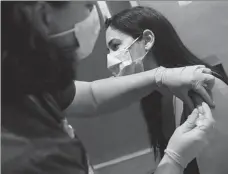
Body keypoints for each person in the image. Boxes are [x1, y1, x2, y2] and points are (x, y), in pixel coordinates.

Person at [1, 2, 216, 174]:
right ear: (44, 15)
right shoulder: (32, 156)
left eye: (115, 46)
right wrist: (173, 161)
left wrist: (158, 76)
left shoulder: (24, 81)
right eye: (87, 5)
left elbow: (91, 95)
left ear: (148, 40)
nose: (93, 13)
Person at [105, 6, 228, 174]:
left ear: (147, 40)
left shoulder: (205, 89)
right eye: (108, 50)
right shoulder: (156, 97)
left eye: (115, 46)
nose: (110, 60)